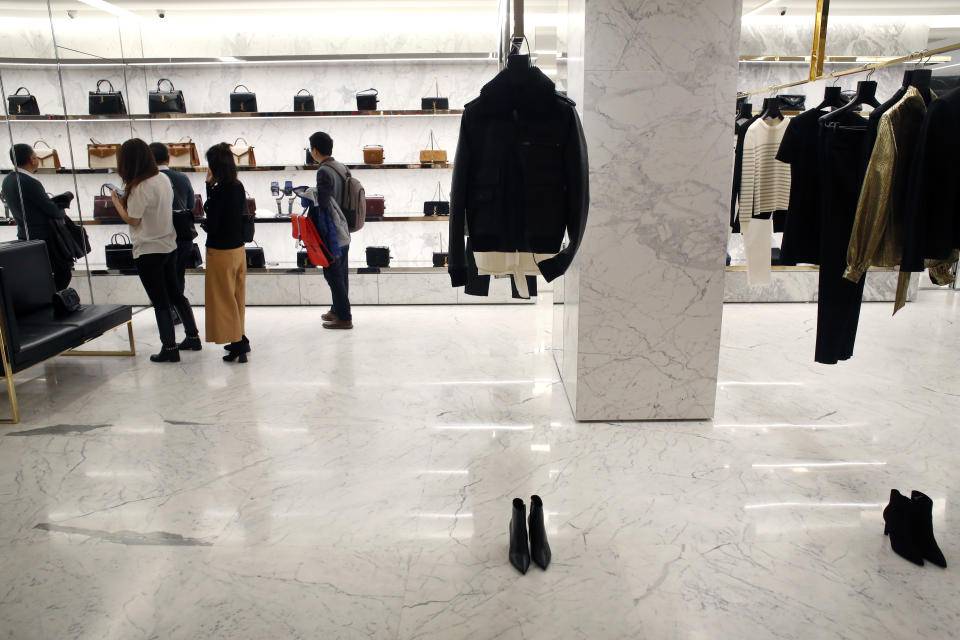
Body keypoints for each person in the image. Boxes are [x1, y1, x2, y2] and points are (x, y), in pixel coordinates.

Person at [110, 138, 200, 363]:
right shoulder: (162, 179)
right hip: (169, 244)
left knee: (160, 301)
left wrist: (117, 203)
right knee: (175, 293)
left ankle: (169, 348)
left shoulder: (140, 186)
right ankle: (193, 336)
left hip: (148, 250)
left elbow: (133, 219)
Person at [1, 144, 73, 289]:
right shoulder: (29, 182)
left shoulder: (8, 180)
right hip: (43, 237)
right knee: (62, 273)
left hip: (24, 234)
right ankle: (55, 304)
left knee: (40, 275)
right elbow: (48, 208)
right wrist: (60, 212)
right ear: (32, 159)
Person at [202, 142, 249, 362]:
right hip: (238, 249)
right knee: (236, 297)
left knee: (222, 299)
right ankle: (239, 337)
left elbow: (213, 223)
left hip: (220, 251)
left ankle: (238, 343)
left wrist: (208, 188)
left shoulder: (219, 191)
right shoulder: (237, 186)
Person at [308, 131, 353, 330]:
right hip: (344, 229)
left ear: (315, 150)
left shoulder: (323, 171)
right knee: (341, 273)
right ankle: (337, 310)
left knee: (333, 275)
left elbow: (324, 204)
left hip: (332, 232)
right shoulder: (342, 168)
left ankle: (344, 317)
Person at [149, 142, 197, 310]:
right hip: (181, 233)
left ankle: (165, 310)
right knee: (178, 274)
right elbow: (190, 205)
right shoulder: (182, 178)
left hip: (157, 236)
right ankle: (177, 310)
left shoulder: (146, 181)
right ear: (168, 159)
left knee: (159, 277)